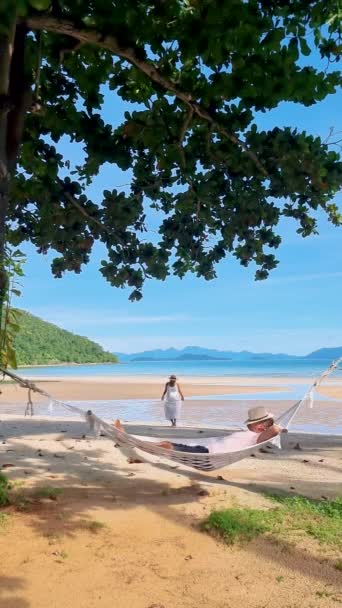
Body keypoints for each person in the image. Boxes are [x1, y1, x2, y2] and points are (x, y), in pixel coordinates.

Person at [113, 406, 284, 454]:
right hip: (204, 446)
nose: (262, 426)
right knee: (166, 443)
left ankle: (129, 439)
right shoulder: (252, 433)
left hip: (208, 452)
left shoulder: (257, 437)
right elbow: (273, 428)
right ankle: (128, 438)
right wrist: (269, 426)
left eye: (263, 424)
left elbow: (275, 429)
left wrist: (275, 427)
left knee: (166, 445)